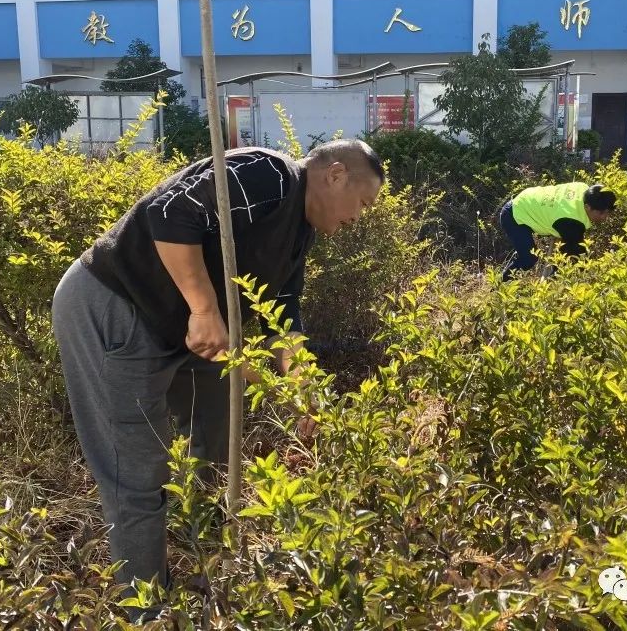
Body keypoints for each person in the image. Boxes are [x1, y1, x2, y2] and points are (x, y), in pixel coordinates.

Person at [51, 139, 384, 593]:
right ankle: (144, 604)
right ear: (336, 174)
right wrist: (205, 311)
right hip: (115, 306)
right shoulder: (269, 175)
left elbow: (282, 313)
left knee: (215, 427)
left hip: (176, 326)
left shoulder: (299, 230)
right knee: (137, 468)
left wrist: (304, 388)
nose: (358, 219)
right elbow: (168, 213)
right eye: (363, 203)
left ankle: (203, 560)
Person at [500, 181, 616, 281]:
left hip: (527, 200)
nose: (605, 217)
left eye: (608, 212)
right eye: (601, 213)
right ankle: (498, 288)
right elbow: (573, 257)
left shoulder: (583, 188)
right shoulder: (571, 221)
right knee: (528, 258)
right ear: (587, 207)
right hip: (514, 215)